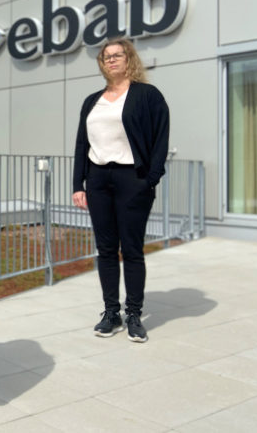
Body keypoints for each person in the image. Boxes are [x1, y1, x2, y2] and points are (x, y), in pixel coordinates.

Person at [72, 38, 169, 343]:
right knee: (105, 249)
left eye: (117, 55)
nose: (111, 60)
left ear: (129, 59)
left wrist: (149, 179)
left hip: (132, 180)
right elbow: (81, 145)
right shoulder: (92, 101)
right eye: (106, 57)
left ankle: (135, 314)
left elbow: (160, 138)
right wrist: (78, 184)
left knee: (131, 249)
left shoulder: (147, 95)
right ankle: (111, 313)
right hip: (99, 180)